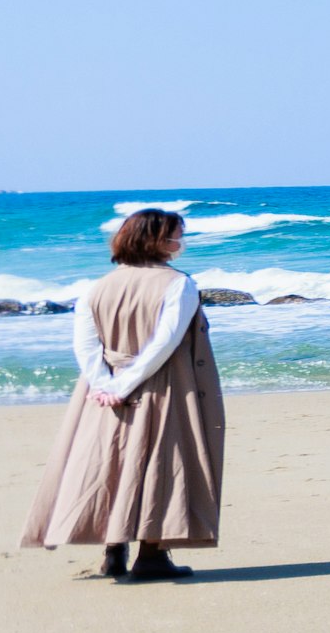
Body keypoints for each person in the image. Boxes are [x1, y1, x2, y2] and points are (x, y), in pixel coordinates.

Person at [22, 206, 227, 580]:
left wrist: (104, 385)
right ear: (159, 241)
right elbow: (163, 344)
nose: (182, 242)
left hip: (102, 392)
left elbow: (86, 346)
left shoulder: (96, 288)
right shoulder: (178, 284)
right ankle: (151, 556)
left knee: (109, 462)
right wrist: (124, 384)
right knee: (157, 464)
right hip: (161, 387)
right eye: (178, 235)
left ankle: (113, 552)